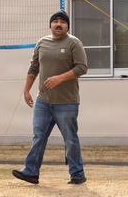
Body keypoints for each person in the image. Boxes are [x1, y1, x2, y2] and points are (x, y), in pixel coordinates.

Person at [12, 10, 89, 185]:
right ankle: (31, 172)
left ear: (67, 26)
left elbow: (82, 68)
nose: (59, 24)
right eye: (55, 21)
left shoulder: (73, 43)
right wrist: (26, 90)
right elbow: (33, 68)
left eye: (62, 22)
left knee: (70, 139)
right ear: (50, 25)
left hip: (67, 102)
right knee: (39, 136)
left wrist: (59, 78)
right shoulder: (42, 43)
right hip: (44, 101)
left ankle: (77, 174)